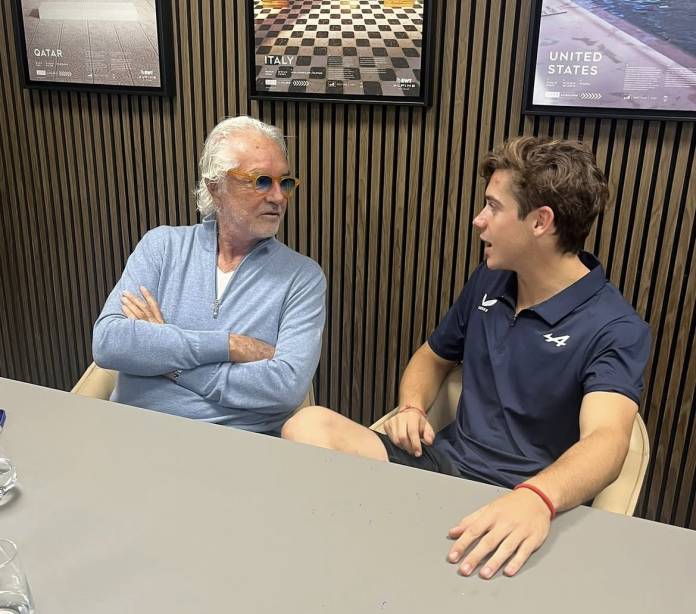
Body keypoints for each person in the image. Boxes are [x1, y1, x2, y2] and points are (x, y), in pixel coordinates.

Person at [282, 136, 650, 578]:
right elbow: (432, 357)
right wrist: (412, 407)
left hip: (526, 498)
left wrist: (538, 498)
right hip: (443, 466)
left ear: (540, 221)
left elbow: (608, 440)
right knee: (307, 425)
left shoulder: (616, 327)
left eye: (493, 206)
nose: (478, 220)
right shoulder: (490, 280)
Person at [92, 116, 326, 435]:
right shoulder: (162, 246)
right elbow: (109, 342)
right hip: (132, 431)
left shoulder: (302, 278)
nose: (278, 197)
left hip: (236, 446)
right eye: (261, 181)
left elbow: (285, 386)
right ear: (216, 187)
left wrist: (169, 360)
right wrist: (228, 345)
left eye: (284, 182)